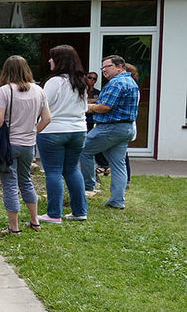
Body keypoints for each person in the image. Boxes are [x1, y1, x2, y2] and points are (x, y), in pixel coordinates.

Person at [0, 55, 51, 234]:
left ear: (6, 71)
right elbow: (47, 118)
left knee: (9, 183)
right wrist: (33, 131)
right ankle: (34, 221)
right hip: (28, 144)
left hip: (9, 145)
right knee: (26, 181)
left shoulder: (4, 90)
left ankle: (13, 227)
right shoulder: (39, 90)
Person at [35, 45, 89, 224]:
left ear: (60, 61)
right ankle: (80, 211)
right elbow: (85, 108)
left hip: (54, 131)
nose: (49, 61)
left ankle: (54, 214)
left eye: (52, 58)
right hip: (78, 130)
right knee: (72, 170)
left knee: (53, 171)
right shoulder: (81, 82)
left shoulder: (55, 82)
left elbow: (42, 106)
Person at [80, 54, 140, 210]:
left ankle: (88, 186)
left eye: (107, 67)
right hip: (125, 128)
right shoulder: (131, 82)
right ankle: (117, 201)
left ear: (120, 67)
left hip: (110, 128)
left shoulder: (117, 82)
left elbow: (105, 107)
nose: (104, 70)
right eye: (102, 68)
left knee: (83, 150)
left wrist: (84, 107)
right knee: (118, 164)